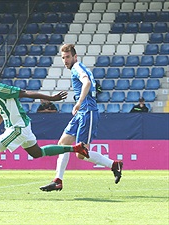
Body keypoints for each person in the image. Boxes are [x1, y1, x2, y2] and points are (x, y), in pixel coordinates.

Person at [0, 66, 90, 196]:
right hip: (22, 126)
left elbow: (25, 93)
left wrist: (51, 98)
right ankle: (76, 148)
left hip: (18, 128)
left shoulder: (0, 89)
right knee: (37, 153)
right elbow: (1, 113)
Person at [39, 44, 123, 192]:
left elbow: (87, 82)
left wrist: (78, 102)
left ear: (75, 57)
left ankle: (114, 165)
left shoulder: (78, 67)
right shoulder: (77, 68)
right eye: (63, 58)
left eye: (68, 57)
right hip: (81, 113)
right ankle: (58, 180)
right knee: (62, 144)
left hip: (88, 112)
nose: (65, 60)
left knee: (80, 154)